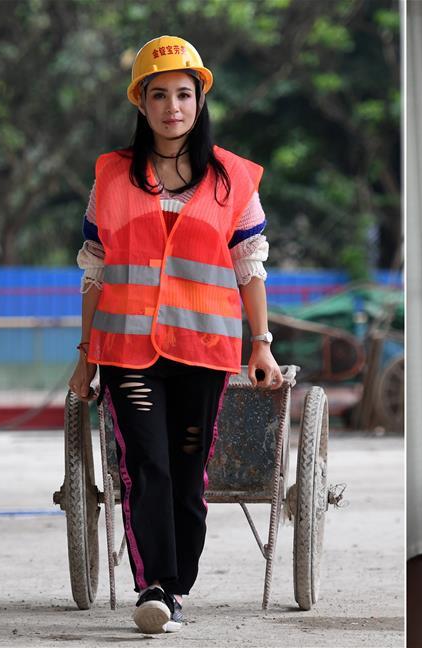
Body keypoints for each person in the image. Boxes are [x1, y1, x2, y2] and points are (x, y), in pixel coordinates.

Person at [67, 35, 283, 634]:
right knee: (147, 465)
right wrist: (85, 356)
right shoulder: (110, 177)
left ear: (199, 99)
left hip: (203, 350)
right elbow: (94, 265)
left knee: (189, 476)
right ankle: (155, 585)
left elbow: (250, 267)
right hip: (128, 350)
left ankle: (177, 587)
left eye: (183, 94)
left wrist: (260, 344)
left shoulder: (232, 179)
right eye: (158, 95)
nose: (172, 107)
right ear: (141, 103)